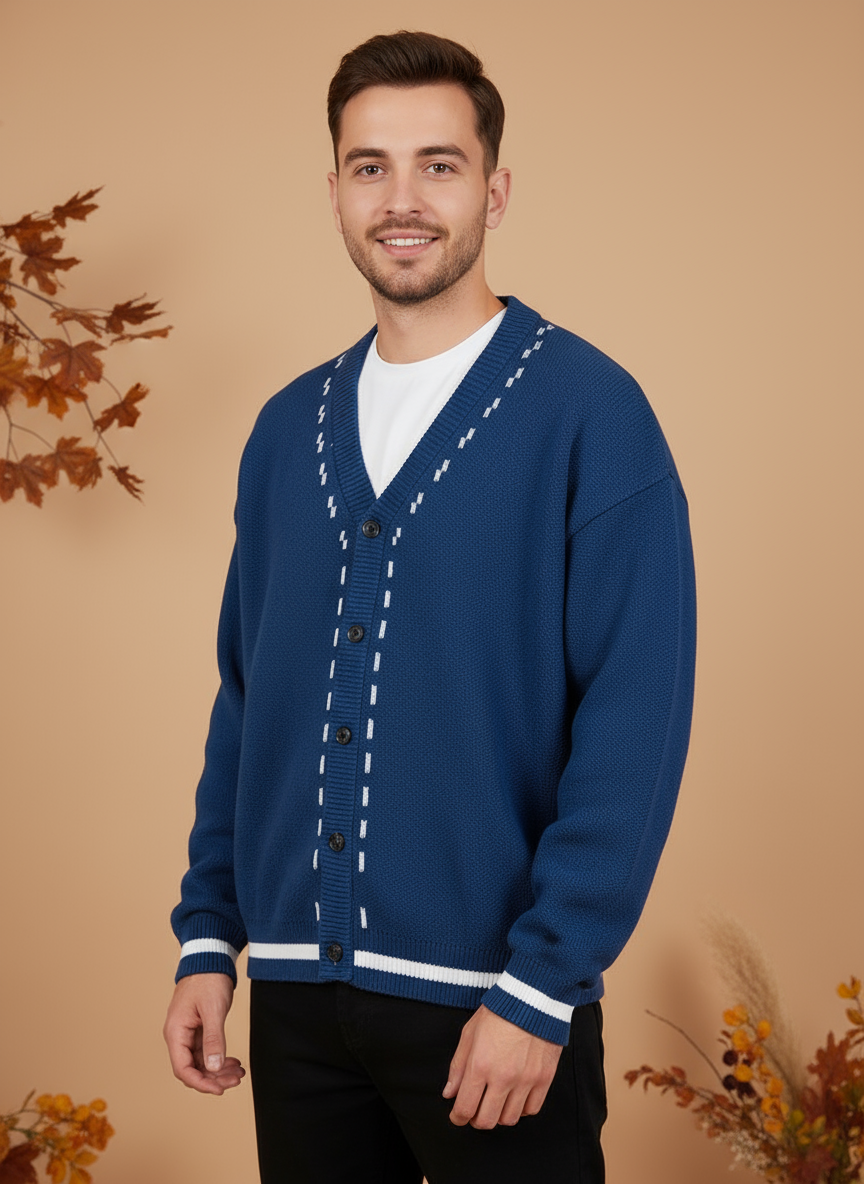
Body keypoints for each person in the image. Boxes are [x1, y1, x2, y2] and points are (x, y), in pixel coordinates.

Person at [163, 30, 696, 1184]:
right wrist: (209, 934)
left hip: (497, 1006)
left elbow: (634, 722)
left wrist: (543, 983)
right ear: (336, 192)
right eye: (372, 167)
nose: (401, 199)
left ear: (494, 191)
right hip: (295, 1002)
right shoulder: (284, 430)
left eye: (438, 165)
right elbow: (248, 700)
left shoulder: (591, 414)